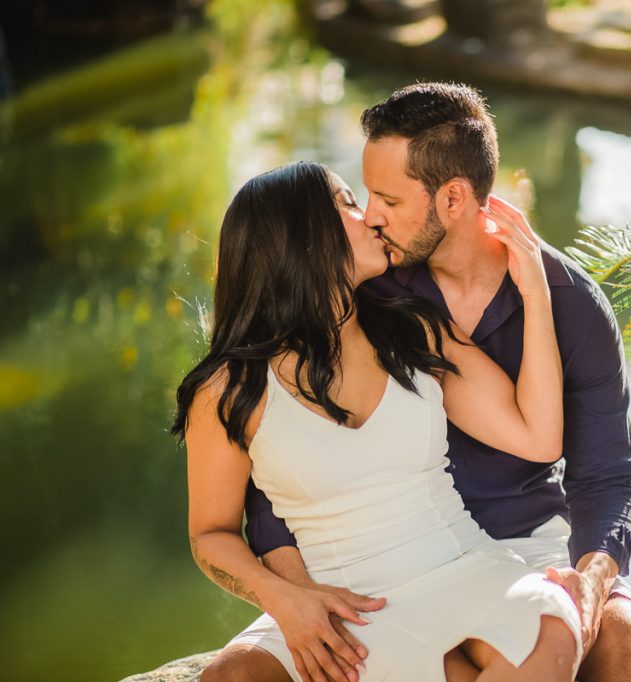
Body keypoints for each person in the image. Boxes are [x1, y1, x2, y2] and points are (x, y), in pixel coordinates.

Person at [209, 82, 631, 682]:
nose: (371, 216)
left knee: (626, 639)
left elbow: (605, 473)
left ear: (452, 199)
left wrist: (594, 578)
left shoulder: (570, 303)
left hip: (523, 541)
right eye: (363, 196)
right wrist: (295, 595)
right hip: (369, 557)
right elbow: (279, 453)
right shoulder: (366, 287)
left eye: (387, 199)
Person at [173, 160, 584, 681]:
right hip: (335, 606)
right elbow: (211, 534)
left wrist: (535, 291)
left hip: (460, 568)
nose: (369, 216)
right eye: (346, 204)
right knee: (228, 678)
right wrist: (287, 600)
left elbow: (539, 435)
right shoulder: (229, 389)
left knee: (550, 625)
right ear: (304, 238)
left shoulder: (414, 331)